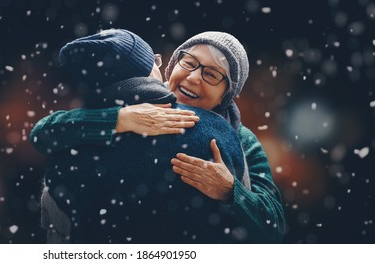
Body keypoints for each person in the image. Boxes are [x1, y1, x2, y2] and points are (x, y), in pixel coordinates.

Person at [32, 30, 285, 243]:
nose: (194, 77)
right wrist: (119, 119)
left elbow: (274, 225)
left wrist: (231, 191)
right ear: (172, 65)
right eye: (189, 62)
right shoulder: (126, 102)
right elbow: (43, 133)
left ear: (226, 95)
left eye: (211, 74)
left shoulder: (242, 140)